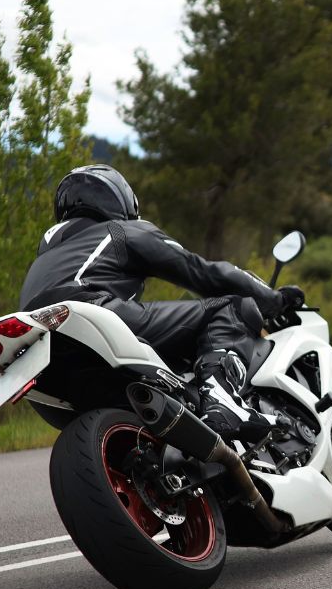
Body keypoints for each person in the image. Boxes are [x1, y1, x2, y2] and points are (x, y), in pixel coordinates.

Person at [18, 164, 303, 440]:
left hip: (41, 348)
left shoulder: (45, 257)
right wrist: (274, 299)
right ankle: (222, 402)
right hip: (90, 312)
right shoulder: (121, 230)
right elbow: (201, 271)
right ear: (120, 201)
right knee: (231, 308)